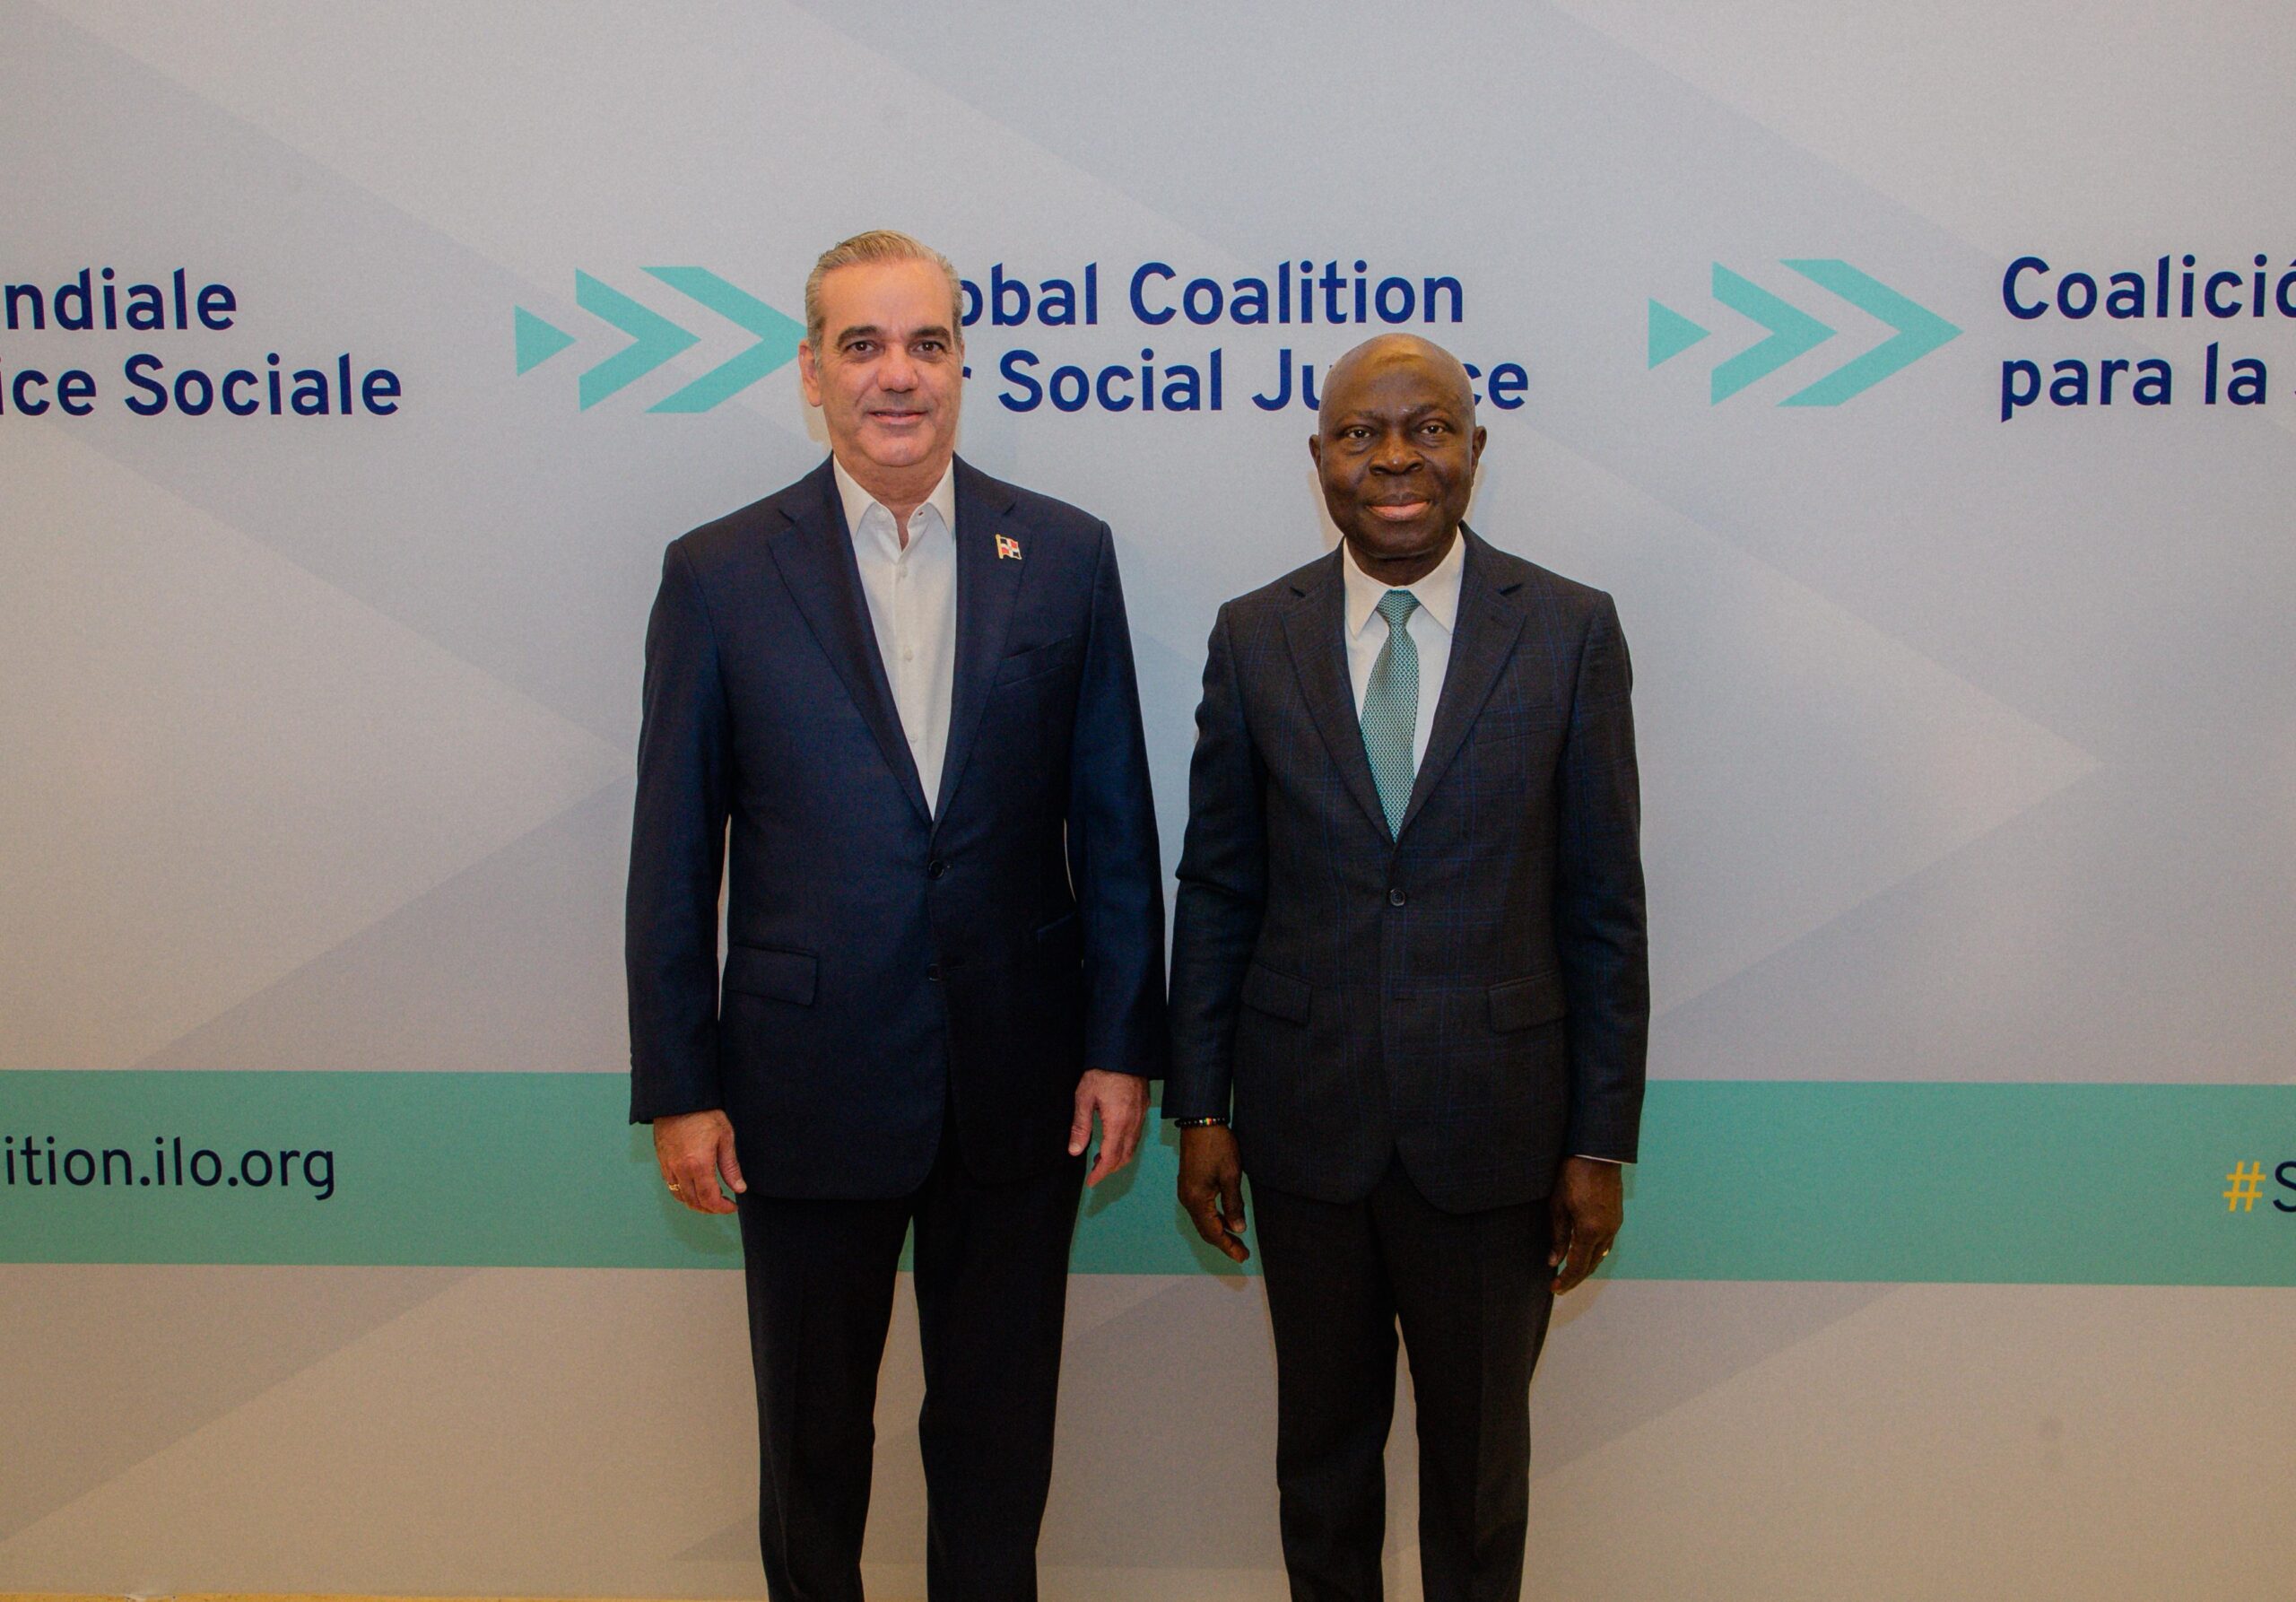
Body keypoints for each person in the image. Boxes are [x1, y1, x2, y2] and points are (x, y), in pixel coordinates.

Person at [624, 230, 1166, 1602]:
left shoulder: (1066, 553)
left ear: (963, 365)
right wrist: (679, 1085)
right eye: (862, 345)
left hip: (1020, 1082)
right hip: (802, 1087)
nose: (897, 375)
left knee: (997, 1448)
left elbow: (1114, 824)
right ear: (810, 371)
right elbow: (675, 851)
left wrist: (1122, 1044)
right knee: (812, 1452)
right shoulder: (719, 573)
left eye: (925, 343)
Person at [1165, 333, 1648, 1602]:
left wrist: (1600, 1140)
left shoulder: (1569, 632)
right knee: (1319, 1472)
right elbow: (1217, 887)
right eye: (1361, 434)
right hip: (1306, 1130)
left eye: (1426, 429)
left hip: (1497, 1141)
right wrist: (1200, 1107)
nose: (1394, 460)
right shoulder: (1252, 636)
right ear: (1318, 457)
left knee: (1480, 1482)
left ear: (1474, 451)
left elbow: (1605, 908)